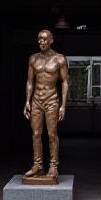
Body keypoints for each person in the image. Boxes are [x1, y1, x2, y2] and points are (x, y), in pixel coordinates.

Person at [23, 29, 69, 179]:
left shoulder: (59, 59)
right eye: (39, 39)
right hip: (36, 100)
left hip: (52, 100)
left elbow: (65, 82)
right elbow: (30, 81)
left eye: (44, 39)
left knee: (51, 134)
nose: (41, 42)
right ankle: (38, 165)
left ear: (51, 40)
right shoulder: (33, 59)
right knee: (36, 134)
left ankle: (54, 166)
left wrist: (63, 105)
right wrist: (27, 101)